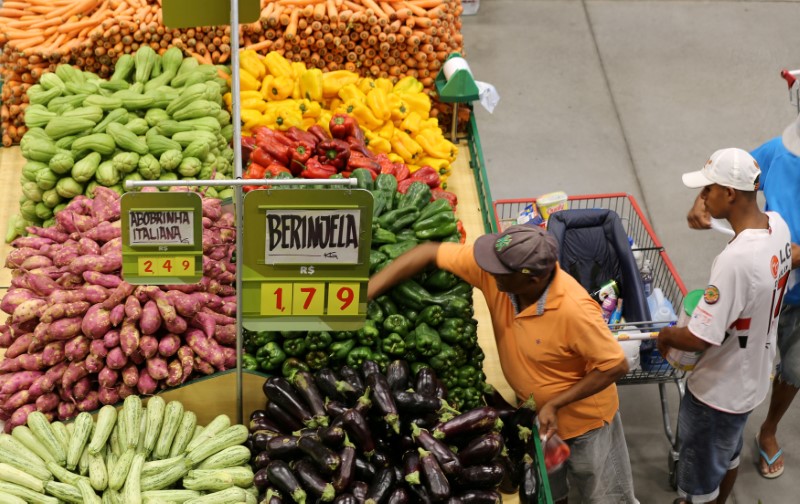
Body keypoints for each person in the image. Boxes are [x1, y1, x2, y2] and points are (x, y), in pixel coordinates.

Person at [368, 224, 637, 503]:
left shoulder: (575, 310)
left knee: (602, 493)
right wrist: (367, 292)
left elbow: (615, 365)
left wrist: (556, 403)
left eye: (499, 269)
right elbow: (428, 252)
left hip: (586, 425)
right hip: (538, 420)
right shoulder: (503, 277)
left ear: (531, 279)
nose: (488, 270)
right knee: (550, 491)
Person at [659, 147, 793, 504]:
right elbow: (789, 257)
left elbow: (700, 336)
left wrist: (666, 334)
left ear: (729, 194)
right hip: (750, 382)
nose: (702, 198)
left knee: (698, 482)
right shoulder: (777, 225)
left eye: (708, 190)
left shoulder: (735, 261)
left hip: (716, 394)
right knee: (728, 456)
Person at [687, 117, 800, 480]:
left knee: (795, 369)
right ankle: (734, 436)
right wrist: (702, 200)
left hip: (786, 278)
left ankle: (768, 430)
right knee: (751, 350)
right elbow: (738, 174)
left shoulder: (737, 260)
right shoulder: (781, 151)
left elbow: (701, 335)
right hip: (768, 280)